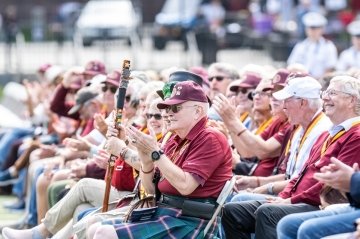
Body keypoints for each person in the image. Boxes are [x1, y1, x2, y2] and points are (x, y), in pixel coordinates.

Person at [88, 80, 233, 239]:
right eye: (167, 107)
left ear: (197, 111)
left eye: (175, 108)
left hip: (189, 219)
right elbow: (150, 190)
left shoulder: (210, 138)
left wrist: (154, 153)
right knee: (94, 228)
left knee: (103, 233)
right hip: (164, 211)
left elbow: (185, 186)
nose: (167, 113)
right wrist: (146, 161)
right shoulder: (175, 138)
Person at [222, 75, 360, 239]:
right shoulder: (332, 131)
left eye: (332, 93)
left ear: (351, 101)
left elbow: (325, 183)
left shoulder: (351, 134)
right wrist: (283, 196)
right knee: (233, 210)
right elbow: (302, 174)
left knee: (268, 213)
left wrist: (289, 200)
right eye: (325, 92)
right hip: (305, 198)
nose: (325, 97)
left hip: (320, 203)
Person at [287, 12, 337, 79]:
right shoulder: (300, 46)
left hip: (320, 84)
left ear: (322, 29)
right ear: (306, 29)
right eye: (310, 28)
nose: (313, 31)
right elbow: (291, 66)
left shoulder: (328, 46)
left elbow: (330, 69)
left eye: (316, 28)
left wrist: (316, 81)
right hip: (300, 82)